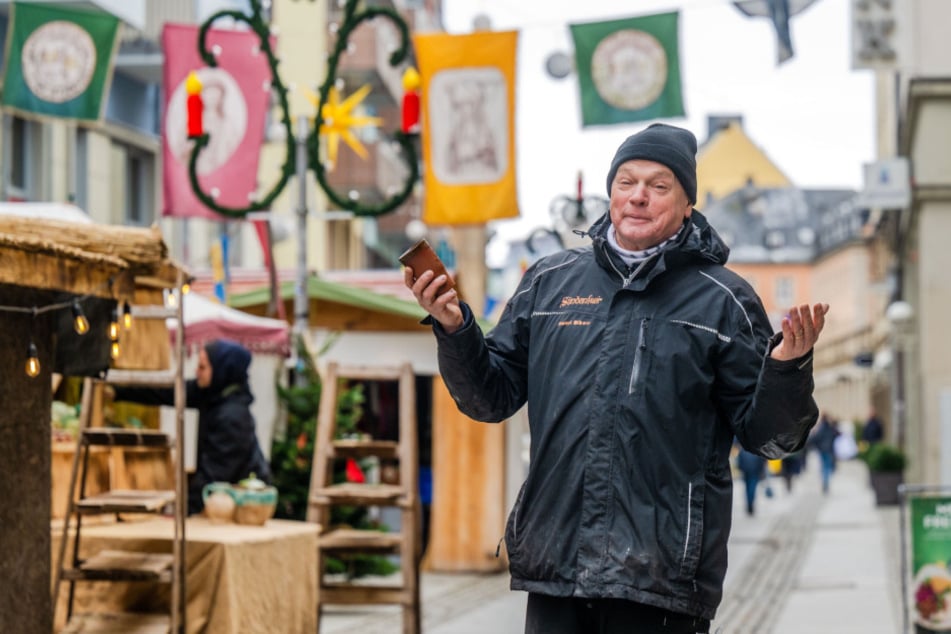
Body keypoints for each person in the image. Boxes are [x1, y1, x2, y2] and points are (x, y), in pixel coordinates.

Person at [403, 122, 828, 634]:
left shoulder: (723, 300)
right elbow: (490, 398)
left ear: (687, 204)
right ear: (611, 193)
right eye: (626, 182)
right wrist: (454, 327)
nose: (639, 197)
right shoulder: (549, 282)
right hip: (556, 565)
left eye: (659, 185)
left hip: (662, 577)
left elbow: (771, 438)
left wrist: (786, 367)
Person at [109, 339, 271, 515]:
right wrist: (118, 390)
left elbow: (214, 473)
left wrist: (184, 512)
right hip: (222, 499)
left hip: (244, 504)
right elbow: (168, 391)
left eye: (202, 367)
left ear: (222, 371)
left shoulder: (233, 418)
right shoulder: (213, 392)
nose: (197, 372)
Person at [810, 412, 840, 494]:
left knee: (824, 467)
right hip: (829, 450)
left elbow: (814, 438)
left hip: (822, 450)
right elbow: (838, 434)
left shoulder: (821, 428)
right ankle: (825, 481)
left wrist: (816, 446)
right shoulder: (830, 427)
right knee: (827, 467)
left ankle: (824, 481)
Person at [736, 445, 768, 516]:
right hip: (754, 469)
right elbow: (762, 459)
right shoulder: (756, 447)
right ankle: (750, 504)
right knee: (752, 487)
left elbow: (739, 460)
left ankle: (749, 504)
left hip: (746, 469)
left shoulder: (743, 447)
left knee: (747, 488)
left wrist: (740, 468)